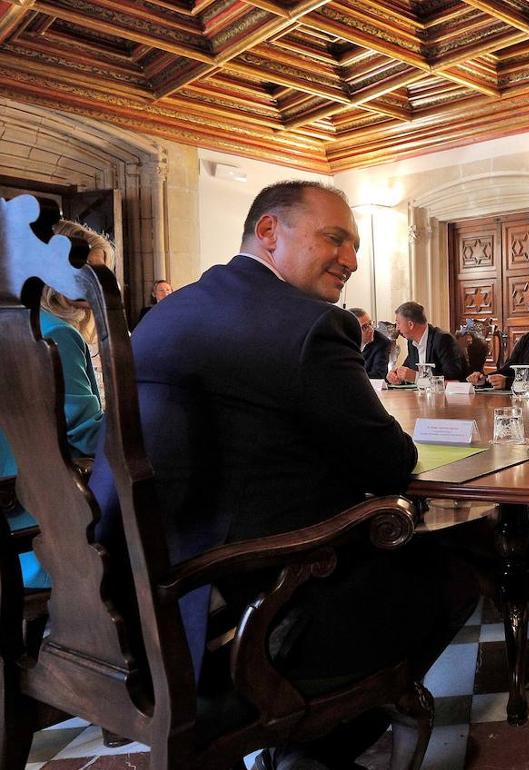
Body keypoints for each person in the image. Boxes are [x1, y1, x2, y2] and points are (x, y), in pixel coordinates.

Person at [89, 181, 478, 770]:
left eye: (354, 247)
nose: (350, 260)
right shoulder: (309, 325)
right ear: (269, 232)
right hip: (257, 610)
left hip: (128, 598)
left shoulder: (170, 312)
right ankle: (320, 740)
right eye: (334, 238)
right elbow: (392, 463)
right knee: (460, 565)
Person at [1, 220, 113, 589]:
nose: (95, 283)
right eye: (84, 272)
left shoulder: (15, 323)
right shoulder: (57, 333)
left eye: (100, 272)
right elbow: (85, 434)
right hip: (38, 517)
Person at [386, 301, 469, 383]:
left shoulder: (443, 339)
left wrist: (417, 377)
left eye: (398, 323)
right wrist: (397, 376)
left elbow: (453, 378)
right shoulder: (412, 343)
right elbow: (408, 371)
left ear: (411, 324)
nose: (397, 328)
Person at [348, 307, 392, 379]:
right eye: (364, 327)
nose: (371, 329)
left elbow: (379, 375)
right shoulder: (341, 343)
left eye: (370, 324)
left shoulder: (382, 342)